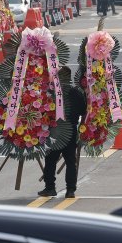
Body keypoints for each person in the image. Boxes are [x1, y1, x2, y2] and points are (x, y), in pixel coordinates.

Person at [38, 66, 87, 199]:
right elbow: (84, 112)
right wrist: (81, 129)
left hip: (54, 132)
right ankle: (70, 190)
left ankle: (50, 188)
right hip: (71, 131)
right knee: (71, 161)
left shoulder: (50, 92)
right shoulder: (76, 93)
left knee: (50, 160)